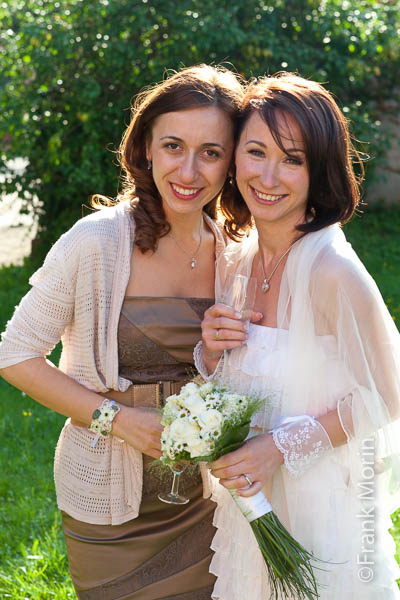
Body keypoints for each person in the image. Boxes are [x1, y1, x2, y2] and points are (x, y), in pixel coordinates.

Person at [0, 64, 245, 599]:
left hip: (208, 503)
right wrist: (118, 420)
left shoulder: (236, 255)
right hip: (107, 503)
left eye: (211, 152)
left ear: (231, 162)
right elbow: (15, 354)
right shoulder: (96, 242)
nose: (188, 169)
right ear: (147, 150)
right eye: (173, 146)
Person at [197, 73, 400, 599]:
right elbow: (244, 379)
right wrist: (211, 350)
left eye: (293, 159)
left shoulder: (334, 271)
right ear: (235, 156)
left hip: (319, 507)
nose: (269, 175)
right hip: (252, 503)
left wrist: (279, 449)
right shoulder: (237, 258)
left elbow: (387, 395)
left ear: (320, 171)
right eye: (256, 152)